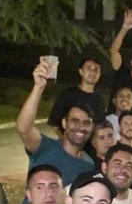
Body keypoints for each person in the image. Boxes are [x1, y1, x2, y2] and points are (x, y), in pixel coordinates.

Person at [15, 57, 95, 186]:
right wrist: (38, 87)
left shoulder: (88, 165)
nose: (81, 127)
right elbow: (23, 128)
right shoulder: (45, 147)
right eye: (75, 121)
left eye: (87, 123)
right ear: (64, 123)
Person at [47, 55, 105, 127]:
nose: (93, 72)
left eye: (96, 69)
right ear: (81, 72)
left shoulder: (99, 100)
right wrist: (63, 138)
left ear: (100, 74)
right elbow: (54, 123)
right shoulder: (67, 94)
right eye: (89, 68)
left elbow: (100, 127)